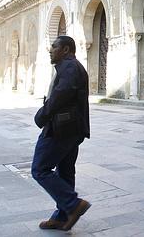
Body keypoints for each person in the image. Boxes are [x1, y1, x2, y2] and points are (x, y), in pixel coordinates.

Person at [31, 36, 91, 230]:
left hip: (61, 129)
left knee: (40, 169)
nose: (51, 50)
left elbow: (60, 96)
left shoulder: (70, 67)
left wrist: (42, 115)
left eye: (54, 47)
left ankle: (74, 204)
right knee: (65, 172)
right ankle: (62, 216)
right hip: (72, 129)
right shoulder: (69, 67)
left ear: (65, 50)